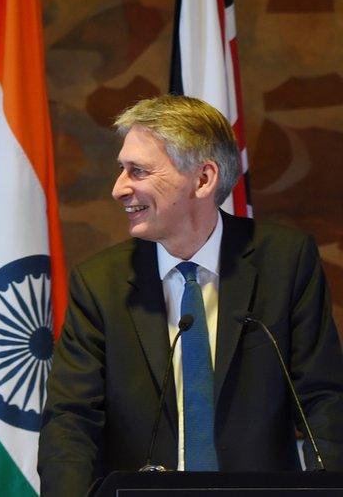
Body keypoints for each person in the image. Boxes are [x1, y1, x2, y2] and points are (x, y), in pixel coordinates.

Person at [38, 95, 343, 496]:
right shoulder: (99, 283)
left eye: (138, 171)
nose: (118, 189)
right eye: (121, 170)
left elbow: (323, 398)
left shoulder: (285, 263)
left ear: (203, 179)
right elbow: (70, 421)